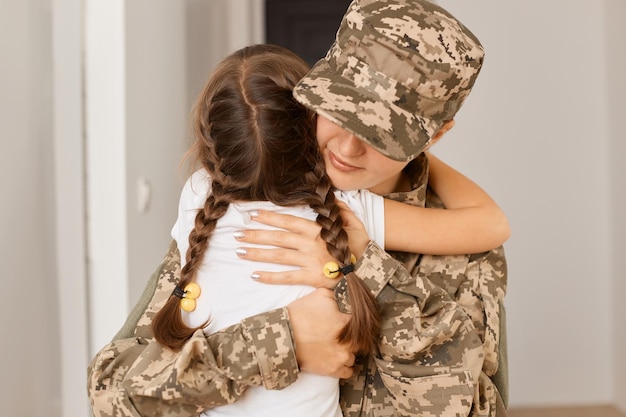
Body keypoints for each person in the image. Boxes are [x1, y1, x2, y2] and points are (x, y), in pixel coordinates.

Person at [87, 1, 509, 416]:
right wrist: (282, 342)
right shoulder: (250, 200)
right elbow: (114, 393)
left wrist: (370, 273)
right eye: (340, 112)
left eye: (383, 134)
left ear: (436, 134)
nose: (346, 149)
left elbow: (467, 407)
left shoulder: (461, 250)